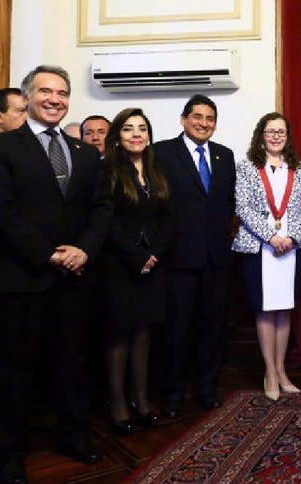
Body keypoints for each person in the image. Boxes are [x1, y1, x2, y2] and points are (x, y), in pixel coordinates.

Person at [0, 65, 112, 483]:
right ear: (27, 97)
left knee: (72, 363)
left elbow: (101, 209)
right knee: (15, 368)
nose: (55, 99)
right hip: (22, 278)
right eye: (46, 91)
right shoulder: (5, 146)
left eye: (62, 93)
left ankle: (75, 434)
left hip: (75, 279)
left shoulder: (85, 153)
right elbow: (3, 211)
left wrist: (83, 249)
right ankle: (10, 451)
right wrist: (47, 254)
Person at [155, 94, 236, 418]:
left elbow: (229, 204)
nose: (204, 123)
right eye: (198, 117)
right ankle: (172, 395)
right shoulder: (161, 153)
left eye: (210, 119)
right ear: (184, 119)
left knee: (211, 328)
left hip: (216, 259)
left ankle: (206, 389)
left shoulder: (224, 156)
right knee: (175, 330)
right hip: (178, 259)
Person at [99, 108, 174, 434]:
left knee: (144, 333)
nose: (136, 134)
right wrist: (135, 255)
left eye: (142, 128)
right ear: (118, 135)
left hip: (152, 263)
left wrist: (154, 253)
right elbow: (106, 220)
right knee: (119, 335)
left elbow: (169, 216)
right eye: (129, 129)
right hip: (119, 265)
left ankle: (141, 401)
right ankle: (117, 406)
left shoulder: (157, 169)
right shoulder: (107, 169)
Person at [232, 112, 301, 400]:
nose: (276, 136)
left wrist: (290, 238)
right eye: (271, 131)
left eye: (281, 131)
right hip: (260, 248)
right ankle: (269, 372)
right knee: (265, 310)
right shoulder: (247, 168)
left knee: (284, 308)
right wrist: (271, 236)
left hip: (290, 249)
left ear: (287, 137)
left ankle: (281, 371)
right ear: (261, 135)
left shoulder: (298, 169)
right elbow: (243, 207)